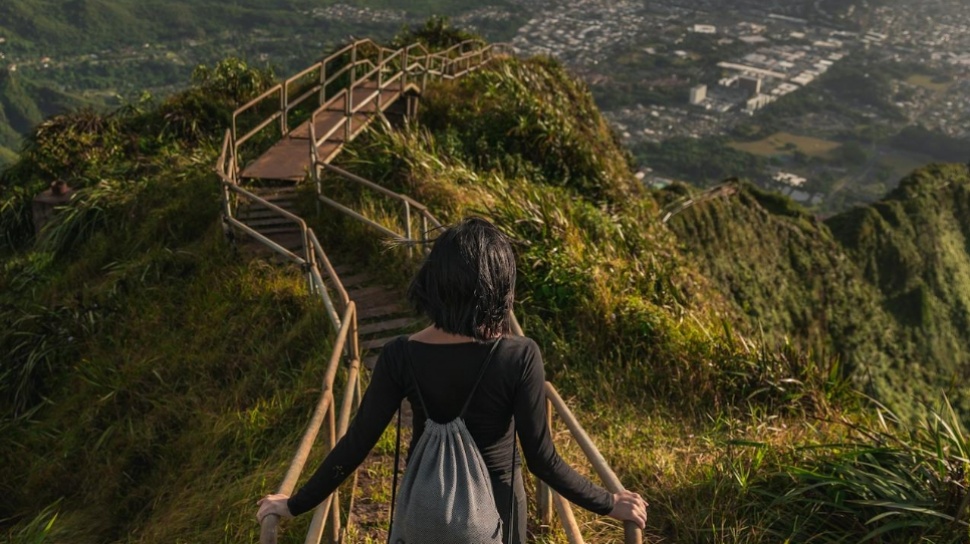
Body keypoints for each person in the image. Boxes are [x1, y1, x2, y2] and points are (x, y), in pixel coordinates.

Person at [256, 217, 648, 542]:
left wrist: (293, 504)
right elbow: (543, 461)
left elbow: (356, 444)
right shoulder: (519, 355)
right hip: (497, 507)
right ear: (500, 288)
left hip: (425, 507)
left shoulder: (399, 354)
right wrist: (609, 501)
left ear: (435, 281)